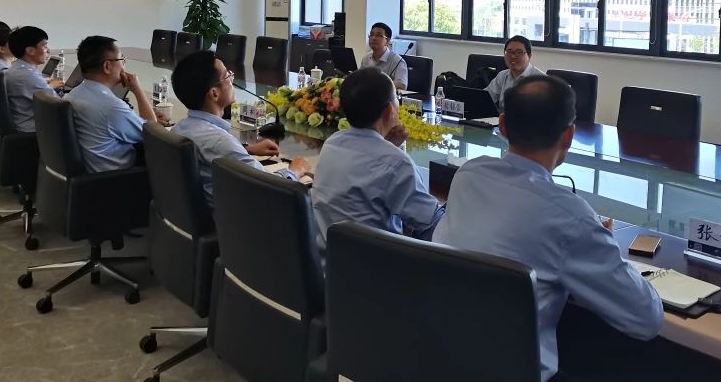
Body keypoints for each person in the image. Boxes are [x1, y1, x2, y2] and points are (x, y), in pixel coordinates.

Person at [434, 75, 663, 381]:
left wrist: (588, 236)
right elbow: (646, 319)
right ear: (569, 135)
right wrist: (599, 242)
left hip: (441, 358)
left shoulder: (468, 175)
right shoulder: (570, 217)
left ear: (502, 126)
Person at [312, 67, 444, 259]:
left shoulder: (332, 144)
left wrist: (387, 146)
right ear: (390, 110)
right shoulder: (396, 164)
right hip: (377, 272)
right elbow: (429, 221)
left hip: (330, 265)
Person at [170, 50, 313, 207]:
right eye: (227, 76)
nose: (232, 79)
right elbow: (271, 188)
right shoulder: (220, 142)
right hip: (238, 216)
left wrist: (246, 149)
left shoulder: (180, 128)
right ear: (214, 93)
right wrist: (295, 170)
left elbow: (212, 152)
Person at [66, 36, 156, 173]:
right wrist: (138, 90)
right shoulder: (112, 107)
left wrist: (136, 119)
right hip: (117, 178)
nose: (124, 65)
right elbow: (153, 134)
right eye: (122, 59)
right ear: (107, 66)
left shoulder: (74, 93)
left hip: (90, 174)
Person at [5, 26, 62, 133]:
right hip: (35, 131)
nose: (48, 50)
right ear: (30, 50)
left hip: (24, 123)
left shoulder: (17, 68)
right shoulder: (28, 76)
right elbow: (59, 106)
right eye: (44, 46)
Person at [485, 35, 543, 112]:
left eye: (519, 52)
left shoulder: (541, 80)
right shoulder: (502, 76)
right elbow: (485, 98)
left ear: (529, 56)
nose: (513, 56)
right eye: (509, 52)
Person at [359, 22, 408, 90]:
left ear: (387, 41)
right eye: (371, 34)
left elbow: (402, 85)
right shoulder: (366, 58)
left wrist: (377, 85)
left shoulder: (397, 61)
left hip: (387, 96)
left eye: (379, 35)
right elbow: (360, 79)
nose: (373, 38)